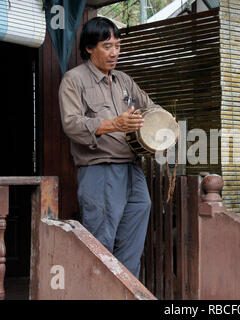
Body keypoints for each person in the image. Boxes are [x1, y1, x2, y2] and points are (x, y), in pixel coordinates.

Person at [58, 17, 160, 279]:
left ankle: (124, 290)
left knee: (133, 239)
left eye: (117, 45)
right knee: (101, 240)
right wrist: (114, 124)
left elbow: (152, 109)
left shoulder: (124, 80)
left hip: (132, 170)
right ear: (90, 48)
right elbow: (71, 124)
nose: (114, 52)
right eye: (107, 45)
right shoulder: (74, 80)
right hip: (100, 170)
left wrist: (166, 125)